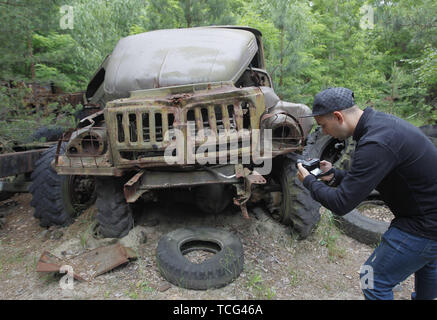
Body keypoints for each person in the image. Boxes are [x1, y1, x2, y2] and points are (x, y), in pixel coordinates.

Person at [296, 87, 437, 300]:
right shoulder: (381, 125)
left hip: (422, 227)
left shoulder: (375, 143)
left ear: (338, 116)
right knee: (428, 270)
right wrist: (333, 175)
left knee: (371, 280)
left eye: (323, 126)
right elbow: (366, 181)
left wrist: (308, 181)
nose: (324, 132)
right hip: (430, 219)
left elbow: (342, 203)